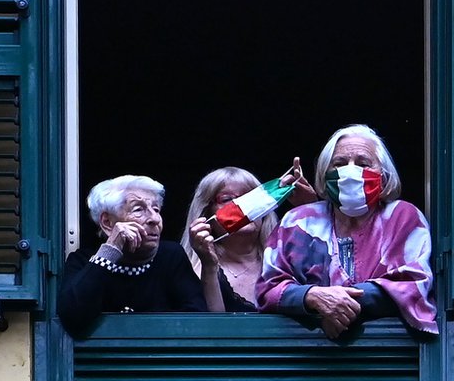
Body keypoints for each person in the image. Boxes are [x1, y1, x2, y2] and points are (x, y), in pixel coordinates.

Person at [255, 125, 439, 339]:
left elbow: (411, 283)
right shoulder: (297, 221)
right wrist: (313, 297)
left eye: (363, 163)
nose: (350, 171)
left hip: (387, 352)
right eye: (339, 164)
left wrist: (338, 303)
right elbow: (268, 290)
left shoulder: (402, 217)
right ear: (325, 174)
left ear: (384, 175)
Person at [58, 175, 206, 336]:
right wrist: (110, 251)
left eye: (156, 209)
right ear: (107, 223)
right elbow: (73, 318)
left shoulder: (171, 256)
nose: (155, 219)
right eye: (138, 209)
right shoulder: (82, 261)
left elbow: (196, 320)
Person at [180, 167, 279, 312]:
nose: (242, 206)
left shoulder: (283, 261)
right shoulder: (191, 272)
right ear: (206, 213)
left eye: (251, 198)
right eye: (227, 199)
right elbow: (214, 329)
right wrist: (209, 267)